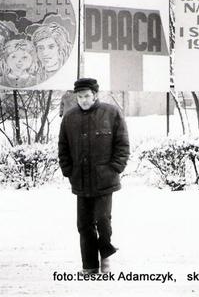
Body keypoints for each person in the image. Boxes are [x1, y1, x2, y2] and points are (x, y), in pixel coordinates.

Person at [58, 78, 130, 274]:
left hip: (105, 180)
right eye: (80, 97)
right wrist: (68, 171)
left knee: (103, 220)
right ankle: (89, 266)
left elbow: (122, 144)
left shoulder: (111, 113)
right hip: (80, 180)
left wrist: (115, 167)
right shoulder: (70, 117)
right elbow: (63, 147)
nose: (83, 100)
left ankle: (106, 255)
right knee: (84, 225)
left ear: (95, 95)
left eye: (87, 96)